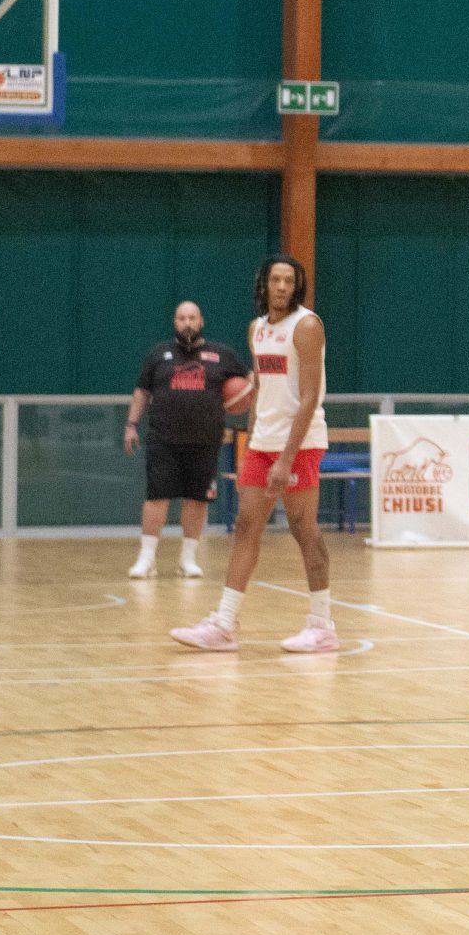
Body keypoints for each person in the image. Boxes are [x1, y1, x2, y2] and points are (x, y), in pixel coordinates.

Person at [170, 256, 337, 654]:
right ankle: (224, 624)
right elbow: (261, 389)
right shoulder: (257, 329)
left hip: (300, 443)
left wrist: (286, 459)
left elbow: (309, 397)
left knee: (303, 528)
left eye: (289, 281)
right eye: (275, 280)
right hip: (264, 442)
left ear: (297, 287)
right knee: (246, 526)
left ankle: (322, 625)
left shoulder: (307, 326)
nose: (282, 287)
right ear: (263, 284)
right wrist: (252, 443)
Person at [124, 300, 248, 579]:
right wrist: (131, 425)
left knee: (197, 499)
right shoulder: (159, 354)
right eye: (182, 318)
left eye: (192, 318)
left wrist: (250, 396)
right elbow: (141, 392)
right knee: (157, 497)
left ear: (201, 321)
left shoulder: (222, 355)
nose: (187, 323)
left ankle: (187, 559)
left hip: (205, 441)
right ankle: (146, 559)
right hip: (164, 440)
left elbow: (250, 381)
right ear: (175, 322)